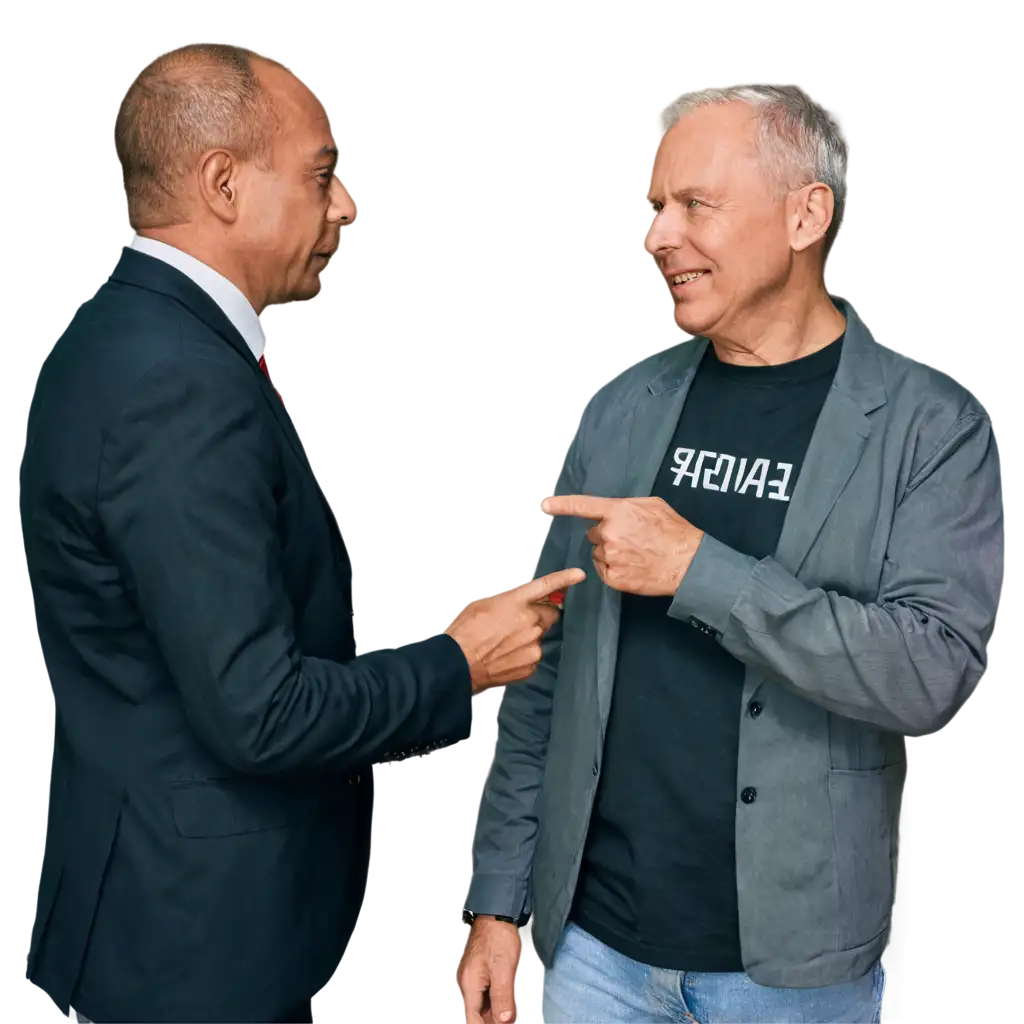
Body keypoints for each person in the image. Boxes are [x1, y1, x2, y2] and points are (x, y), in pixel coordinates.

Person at [19, 41, 584, 1024]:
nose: (346, 206)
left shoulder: (113, 334)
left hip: (150, 923)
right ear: (224, 184)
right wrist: (459, 662)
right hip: (190, 961)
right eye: (321, 175)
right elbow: (260, 713)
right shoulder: (180, 384)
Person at [458, 80, 1002, 1024]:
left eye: (694, 205)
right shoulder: (626, 407)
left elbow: (929, 671)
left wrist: (700, 572)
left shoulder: (924, 427)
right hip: (593, 950)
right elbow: (546, 679)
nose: (658, 236)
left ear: (806, 214)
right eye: (656, 207)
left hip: (792, 978)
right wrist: (498, 903)